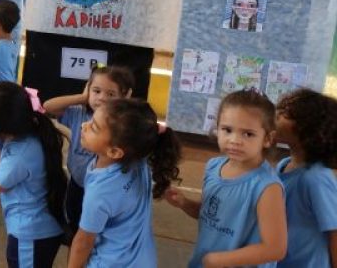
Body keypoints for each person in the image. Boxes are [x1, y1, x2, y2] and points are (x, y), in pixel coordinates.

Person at [166, 90, 287, 268]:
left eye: (248, 134)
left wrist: (220, 260)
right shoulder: (213, 167)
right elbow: (212, 215)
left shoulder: (267, 187)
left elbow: (275, 249)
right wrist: (184, 203)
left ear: (268, 138)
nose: (234, 140)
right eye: (227, 130)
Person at [0, 82, 67, 268]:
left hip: (31, 234)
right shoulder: (27, 133)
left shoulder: (22, 154)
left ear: (1, 128)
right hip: (36, 229)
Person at [69, 98, 181, 268]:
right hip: (144, 261)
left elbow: (83, 242)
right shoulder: (138, 155)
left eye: (94, 127)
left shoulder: (101, 192)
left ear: (114, 152)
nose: (84, 125)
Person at [42, 65, 134, 237]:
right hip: (78, 183)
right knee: (75, 222)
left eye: (111, 94)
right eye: (96, 91)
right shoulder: (78, 114)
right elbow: (48, 106)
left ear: (124, 96)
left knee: (98, 228)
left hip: (104, 189)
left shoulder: (121, 123)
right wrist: (82, 97)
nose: (102, 98)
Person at [273, 89, 337, 268]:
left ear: (308, 128)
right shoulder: (283, 164)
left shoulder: (316, 178)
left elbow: (334, 232)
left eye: (285, 113)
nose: (276, 115)